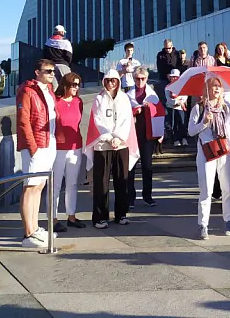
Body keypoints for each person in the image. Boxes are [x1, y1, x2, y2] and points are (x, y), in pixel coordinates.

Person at [16, 59, 58, 247]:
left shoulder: (49, 91)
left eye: (53, 71)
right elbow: (23, 120)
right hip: (36, 145)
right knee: (30, 186)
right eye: (48, 71)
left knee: (39, 186)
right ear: (37, 72)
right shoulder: (27, 91)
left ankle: (35, 227)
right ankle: (28, 233)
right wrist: (32, 147)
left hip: (48, 143)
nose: (52, 74)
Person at [85, 69, 133, 228]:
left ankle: (121, 214)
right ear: (104, 81)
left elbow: (126, 120)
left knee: (122, 180)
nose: (111, 83)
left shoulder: (124, 98)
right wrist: (109, 137)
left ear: (119, 82)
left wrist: (118, 138)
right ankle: (100, 216)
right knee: (101, 182)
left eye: (114, 80)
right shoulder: (99, 99)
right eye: (109, 80)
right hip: (102, 144)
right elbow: (98, 121)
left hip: (121, 144)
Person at [189, 76, 230, 239]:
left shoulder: (227, 108)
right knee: (206, 190)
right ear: (207, 89)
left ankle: (228, 220)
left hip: (224, 150)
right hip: (206, 152)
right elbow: (191, 131)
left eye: (218, 86)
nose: (216, 89)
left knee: (227, 188)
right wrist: (204, 122)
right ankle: (203, 224)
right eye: (213, 86)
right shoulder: (199, 108)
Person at [52, 72, 86, 233]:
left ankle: (71, 216)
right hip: (58, 148)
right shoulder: (55, 101)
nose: (76, 88)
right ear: (65, 85)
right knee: (56, 184)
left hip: (75, 147)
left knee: (72, 184)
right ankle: (53, 218)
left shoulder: (79, 102)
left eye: (78, 85)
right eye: (73, 85)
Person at [127, 68, 164, 207]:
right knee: (130, 168)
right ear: (134, 78)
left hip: (148, 136)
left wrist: (150, 108)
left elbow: (160, 113)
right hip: (132, 136)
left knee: (147, 167)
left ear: (147, 79)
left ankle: (147, 196)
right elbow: (124, 113)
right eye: (137, 78)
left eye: (143, 78)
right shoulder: (128, 95)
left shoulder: (153, 95)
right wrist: (135, 110)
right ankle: (130, 197)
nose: (140, 81)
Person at [43, 25, 73, 90]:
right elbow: (69, 56)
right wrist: (67, 63)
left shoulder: (48, 42)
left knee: (53, 88)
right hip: (63, 66)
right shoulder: (66, 42)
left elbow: (44, 56)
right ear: (62, 32)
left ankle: (55, 99)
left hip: (51, 66)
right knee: (67, 86)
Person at [165, 69, 189, 147]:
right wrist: (177, 102)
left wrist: (180, 102)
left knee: (182, 123)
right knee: (173, 124)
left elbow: (185, 96)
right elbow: (169, 100)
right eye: (173, 77)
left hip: (180, 108)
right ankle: (175, 139)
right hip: (171, 108)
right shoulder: (167, 87)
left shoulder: (183, 86)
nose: (174, 79)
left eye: (176, 77)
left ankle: (184, 138)